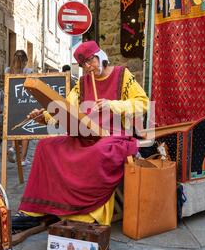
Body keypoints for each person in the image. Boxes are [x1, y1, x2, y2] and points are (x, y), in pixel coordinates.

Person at [12, 40, 149, 232]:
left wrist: (113, 104)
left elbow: (143, 103)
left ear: (100, 57)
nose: (88, 67)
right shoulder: (82, 83)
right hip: (86, 134)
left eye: (90, 61)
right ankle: (37, 210)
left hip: (115, 135)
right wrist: (44, 116)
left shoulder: (122, 75)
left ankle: (87, 214)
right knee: (46, 147)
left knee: (99, 151)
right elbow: (67, 107)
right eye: (83, 64)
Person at [5, 50, 33, 166]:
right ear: (25, 60)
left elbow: (7, 86)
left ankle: (12, 147)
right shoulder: (28, 71)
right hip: (25, 102)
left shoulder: (8, 70)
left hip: (12, 103)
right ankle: (22, 159)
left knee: (14, 127)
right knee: (26, 130)